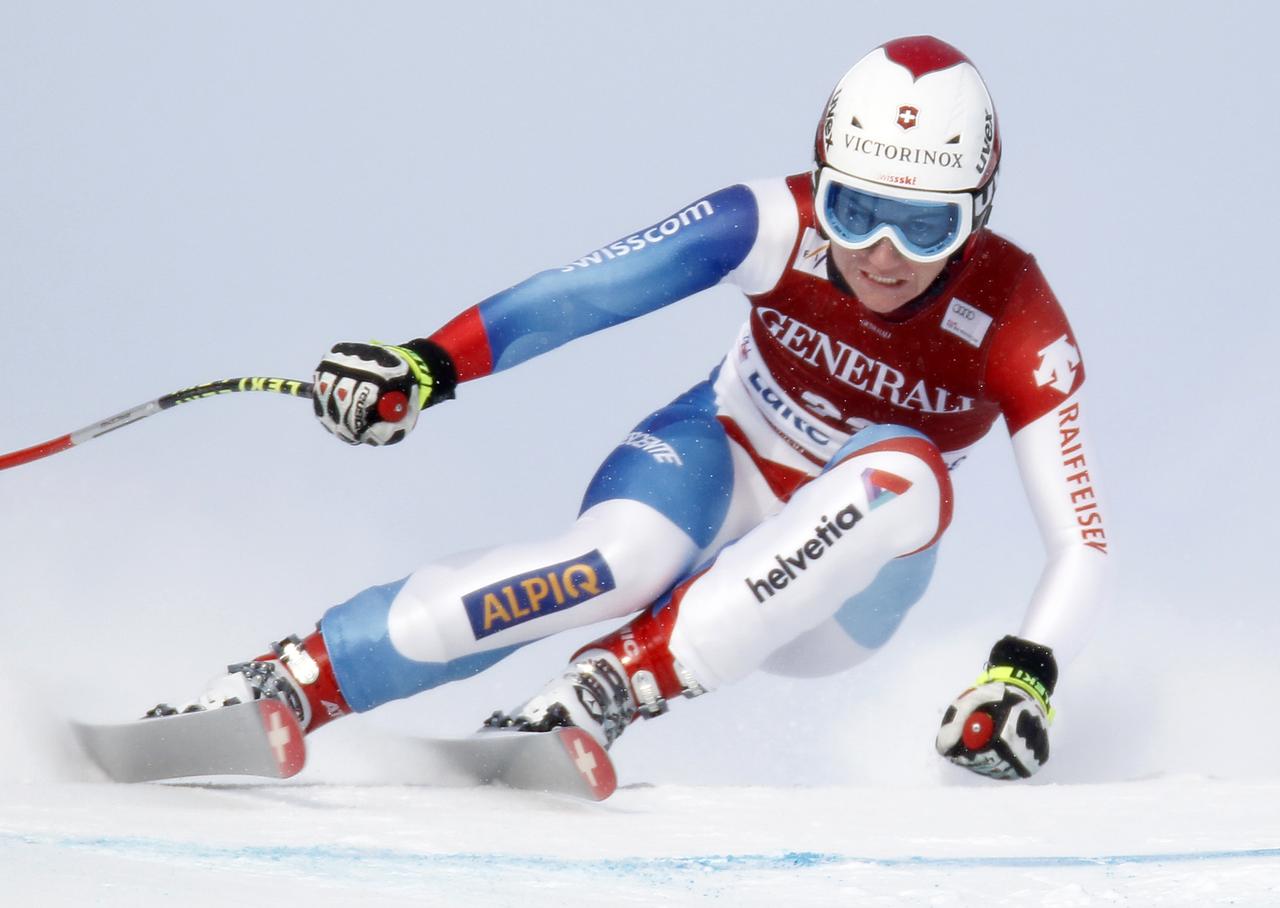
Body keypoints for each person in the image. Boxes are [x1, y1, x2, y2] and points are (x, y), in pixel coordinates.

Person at [157, 35, 1109, 781]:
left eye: (927, 223)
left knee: (908, 473)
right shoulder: (772, 222)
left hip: (838, 599)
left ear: (976, 215)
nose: (885, 255)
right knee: (619, 563)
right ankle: (290, 681)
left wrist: (1023, 675)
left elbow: (1078, 539)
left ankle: (615, 684)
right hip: (718, 459)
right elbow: (588, 291)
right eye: (853, 212)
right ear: (819, 183)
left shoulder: (1017, 311)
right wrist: (426, 366)